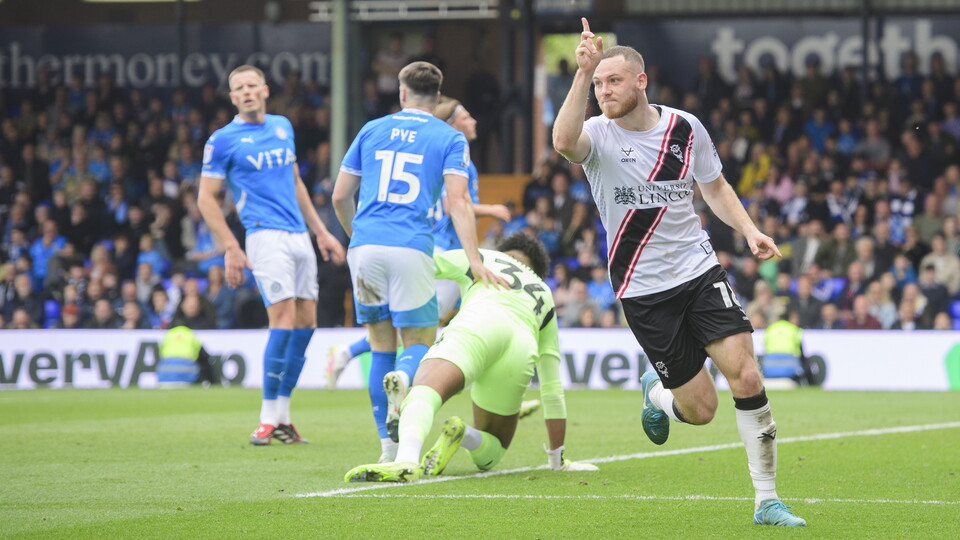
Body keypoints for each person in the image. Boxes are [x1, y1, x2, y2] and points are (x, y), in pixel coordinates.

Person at [551, 19, 805, 527]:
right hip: (643, 289)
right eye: (599, 84)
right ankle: (657, 393)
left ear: (641, 81)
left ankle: (767, 500)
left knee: (747, 375)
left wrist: (750, 230)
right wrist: (580, 75)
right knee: (701, 410)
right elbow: (562, 142)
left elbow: (714, 186)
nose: (605, 91)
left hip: (699, 270)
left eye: (613, 81)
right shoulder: (595, 135)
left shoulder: (684, 128)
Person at [332, 61, 505, 463]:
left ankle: (387, 449)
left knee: (379, 346)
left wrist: (356, 236)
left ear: (402, 92)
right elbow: (458, 203)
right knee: (420, 343)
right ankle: (405, 378)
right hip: (412, 246)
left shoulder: (371, 129)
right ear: (439, 96)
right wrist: (474, 260)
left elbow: (341, 195)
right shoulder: (449, 138)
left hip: (366, 245)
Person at [345, 234, 597, 483]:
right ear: (536, 270)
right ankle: (463, 434)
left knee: (425, 392)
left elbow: (421, 265)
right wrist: (558, 459)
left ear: (505, 251)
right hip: (520, 345)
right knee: (492, 451)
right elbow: (552, 388)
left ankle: (406, 460)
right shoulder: (544, 292)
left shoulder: (482, 257)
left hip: (477, 323)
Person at [198, 65, 345, 446]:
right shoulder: (223, 140)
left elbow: (295, 181)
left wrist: (322, 231)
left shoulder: (283, 126)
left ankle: (283, 416)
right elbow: (205, 199)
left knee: (306, 324)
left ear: (264, 90)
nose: (246, 92)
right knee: (281, 319)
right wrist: (231, 246)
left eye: (251, 85)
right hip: (264, 236)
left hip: (299, 236)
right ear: (232, 98)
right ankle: (265, 418)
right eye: (238, 88)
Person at [325, 96, 511, 388]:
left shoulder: (434, 154)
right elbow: (454, 205)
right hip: (441, 250)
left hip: (430, 248)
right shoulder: (456, 159)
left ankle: (477, 375)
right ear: (452, 124)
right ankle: (357, 356)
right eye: (466, 117)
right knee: (422, 327)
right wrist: (493, 210)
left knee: (456, 313)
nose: (473, 121)